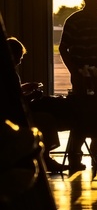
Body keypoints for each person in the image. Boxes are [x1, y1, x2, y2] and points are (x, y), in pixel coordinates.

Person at [58, 0, 97, 172]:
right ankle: (76, 156)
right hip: (82, 77)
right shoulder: (74, 20)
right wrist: (74, 71)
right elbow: (63, 48)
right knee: (81, 116)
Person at [7, 37, 66, 173]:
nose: (20, 61)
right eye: (19, 57)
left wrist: (24, 87)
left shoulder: (9, 73)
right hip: (14, 116)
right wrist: (32, 96)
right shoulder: (10, 74)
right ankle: (45, 157)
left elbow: (14, 93)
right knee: (46, 119)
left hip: (11, 112)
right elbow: (15, 101)